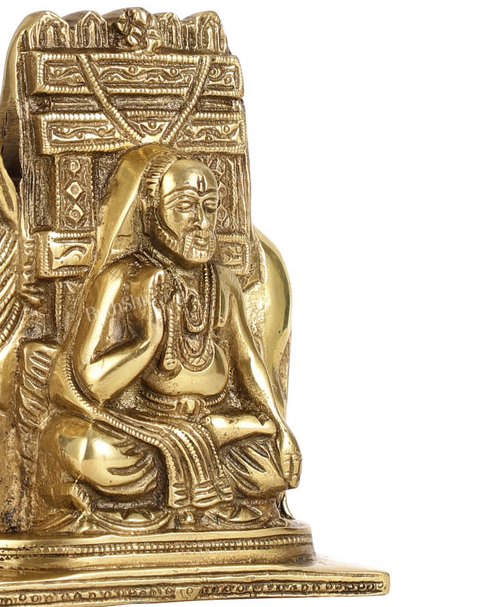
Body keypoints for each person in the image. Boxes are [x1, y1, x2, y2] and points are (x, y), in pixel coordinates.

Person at [36, 145, 301, 531]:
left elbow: (247, 361)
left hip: (214, 426)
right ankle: (186, 488)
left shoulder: (222, 282)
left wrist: (280, 426)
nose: (202, 223)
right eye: (186, 206)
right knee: (79, 448)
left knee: (272, 464)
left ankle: (182, 482)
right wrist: (148, 341)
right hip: (142, 432)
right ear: (152, 211)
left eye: (210, 207)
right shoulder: (120, 279)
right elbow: (90, 384)